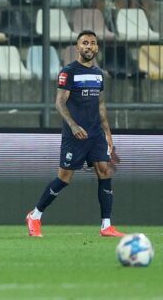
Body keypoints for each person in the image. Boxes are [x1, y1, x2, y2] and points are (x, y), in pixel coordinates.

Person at [25, 30, 123, 239]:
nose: (89, 46)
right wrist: (73, 125)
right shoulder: (69, 72)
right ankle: (35, 215)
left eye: (93, 43)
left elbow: (101, 105)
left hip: (96, 133)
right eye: (85, 43)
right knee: (65, 177)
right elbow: (60, 102)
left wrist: (108, 133)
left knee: (104, 171)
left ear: (97, 48)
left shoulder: (99, 74)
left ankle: (106, 225)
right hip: (75, 135)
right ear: (78, 48)